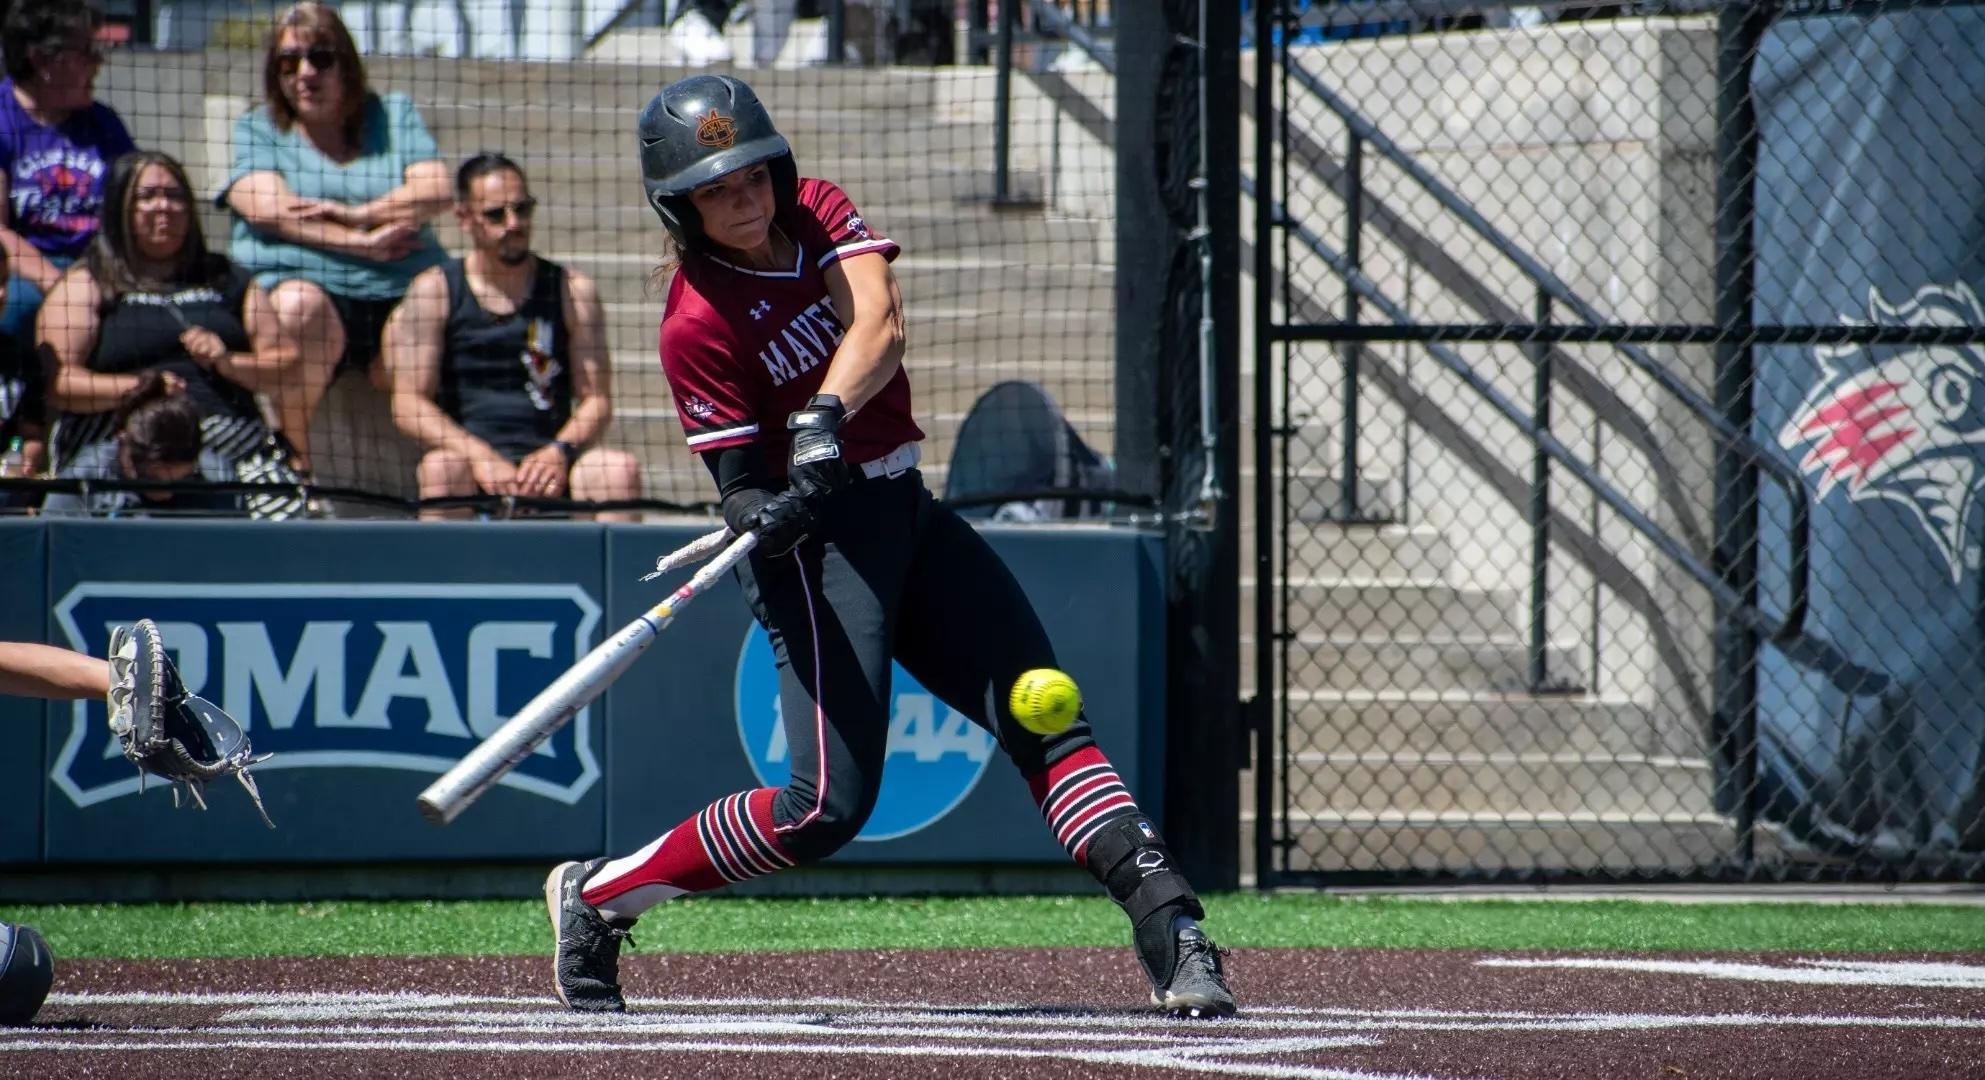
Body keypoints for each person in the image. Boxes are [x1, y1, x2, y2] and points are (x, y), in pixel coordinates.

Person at [541, 74, 1237, 1020]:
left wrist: (823, 415)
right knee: (823, 808)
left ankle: (1173, 929)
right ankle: (598, 897)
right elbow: (738, 481)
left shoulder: (819, 208)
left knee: (1042, 717)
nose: (742, 198)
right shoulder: (694, 321)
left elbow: (880, 322)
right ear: (680, 205)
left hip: (903, 506)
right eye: (714, 188)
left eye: (751, 174)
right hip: (815, 552)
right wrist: (764, 509)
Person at [217, 1, 449, 465]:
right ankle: (296, 459)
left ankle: (445, 476)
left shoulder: (393, 113)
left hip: (395, 290)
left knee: (437, 304)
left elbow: (437, 188)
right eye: (288, 62)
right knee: (299, 306)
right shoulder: (259, 128)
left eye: (320, 58)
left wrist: (359, 214)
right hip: (306, 292)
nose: (304, 73)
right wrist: (359, 242)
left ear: (346, 62)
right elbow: (266, 209)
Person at [41, 151, 305, 517]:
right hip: (124, 444)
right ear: (121, 206)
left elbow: (288, 366)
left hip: (230, 444)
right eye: (147, 196)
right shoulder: (88, 282)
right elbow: (59, 383)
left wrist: (227, 362)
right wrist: (142, 388)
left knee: (289, 532)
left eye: (175, 195)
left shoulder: (227, 278)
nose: (163, 206)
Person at [383, 153, 642, 522]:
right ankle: (444, 580)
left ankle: (626, 582)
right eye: (495, 214)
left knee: (616, 471)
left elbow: (596, 401)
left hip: (550, 465)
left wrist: (558, 451)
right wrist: (478, 457)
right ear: (464, 218)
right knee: (441, 468)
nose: (513, 223)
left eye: (522, 209)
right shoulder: (435, 290)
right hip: (470, 466)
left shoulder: (571, 290)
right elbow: (408, 403)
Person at [0, 0, 132, 344]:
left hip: (100, 263)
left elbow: (128, 206)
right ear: (42, 59)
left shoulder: (104, 124)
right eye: (86, 52)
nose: (98, 63)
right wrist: (58, 284)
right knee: (17, 311)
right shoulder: (3, 118)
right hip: (26, 269)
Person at [40, 370, 239, 516]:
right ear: (123, 443)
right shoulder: (85, 478)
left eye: (182, 481)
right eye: (151, 480)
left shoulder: (217, 475)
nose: (165, 494)